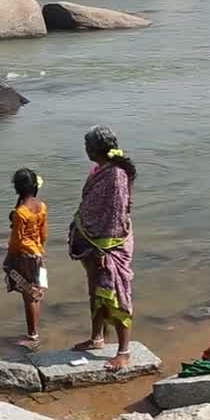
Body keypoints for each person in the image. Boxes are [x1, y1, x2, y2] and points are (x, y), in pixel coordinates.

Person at [68, 126, 138, 371]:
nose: (85, 150)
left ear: (97, 148)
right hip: (92, 241)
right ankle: (97, 338)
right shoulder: (100, 170)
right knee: (95, 294)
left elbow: (116, 214)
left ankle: (124, 351)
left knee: (115, 296)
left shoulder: (116, 175)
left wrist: (102, 250)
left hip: (108, 245)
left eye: (88, 146)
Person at [4, 168, 48, 347]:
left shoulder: (21, 212)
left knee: (28, 297)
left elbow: (16, 241)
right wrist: (39, 250)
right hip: (37, 254)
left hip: (25, 256)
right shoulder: (42, 206)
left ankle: (32, 337)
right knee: (36, 294)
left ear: (17, 188)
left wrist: (8, 260)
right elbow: (44, 234)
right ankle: (34, 334)